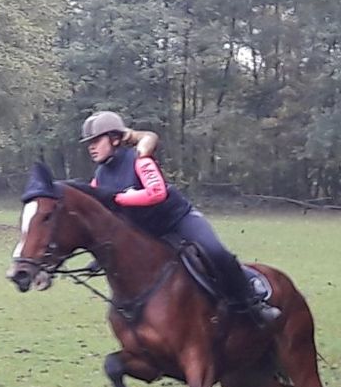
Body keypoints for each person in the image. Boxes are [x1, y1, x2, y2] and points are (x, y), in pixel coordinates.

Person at [80, 110, 281, 325]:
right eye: (89, 142)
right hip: (148, 233)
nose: (91, 147)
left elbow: (157, 192)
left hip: (178, 221)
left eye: (96, 141)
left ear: (115, 138)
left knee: (215, 252)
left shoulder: (139, 159)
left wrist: (119, 198)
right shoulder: (99, 176)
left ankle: (253, 299)